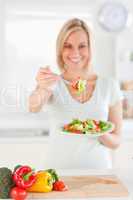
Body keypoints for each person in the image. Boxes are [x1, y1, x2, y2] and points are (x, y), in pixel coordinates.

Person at [29, 18, 123, 169]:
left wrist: (97, 131)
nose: (75, 53)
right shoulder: (52, 83)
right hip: (56, 174)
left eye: (82, 46)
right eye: (68, 46)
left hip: (98, 173)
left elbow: (116, 141)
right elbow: (33, 106)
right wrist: (43, 86)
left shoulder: (109, 85)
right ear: (60, 49)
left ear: (90, 48)